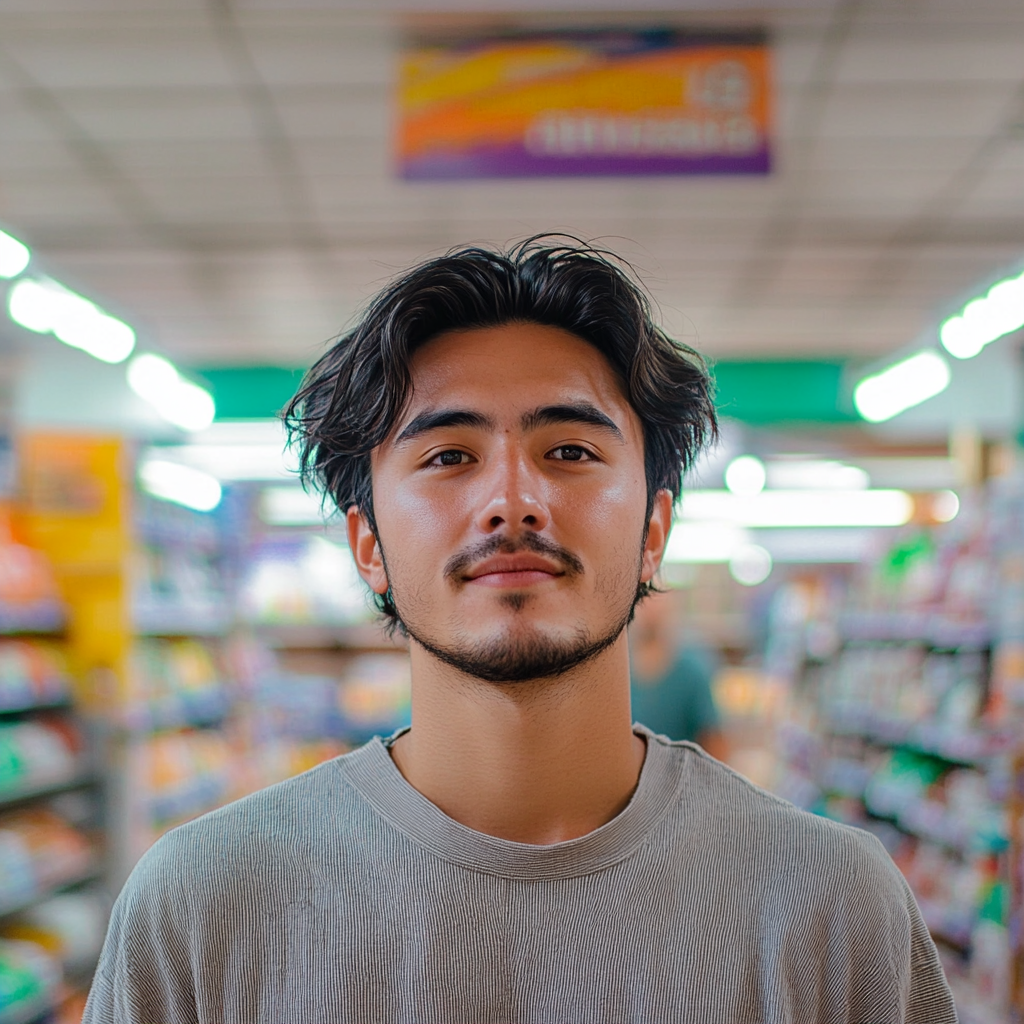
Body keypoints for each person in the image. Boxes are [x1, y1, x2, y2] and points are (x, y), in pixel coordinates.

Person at [83, 238, 956, 1024]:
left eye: (570, 452)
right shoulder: (198, 907)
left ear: (654, 530)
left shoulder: (835, 907)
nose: (512, 501)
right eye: (448, 456)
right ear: (368, 544)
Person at [629, 589, 729, 760]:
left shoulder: (691, 671)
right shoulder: (618, 672)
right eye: (643, 600)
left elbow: (713, 740)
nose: (650, 611)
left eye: (656, 601)